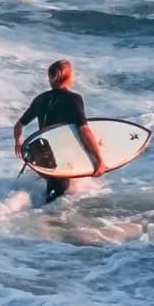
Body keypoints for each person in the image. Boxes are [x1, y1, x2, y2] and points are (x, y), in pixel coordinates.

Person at [14, 57, 96, 202]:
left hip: (41, 154)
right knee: (58, 199)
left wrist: (19, 142)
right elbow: (84, 130)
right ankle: (43, 215)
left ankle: (34, 209)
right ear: (69, 77)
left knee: (53, 191)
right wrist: (99, 161)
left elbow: (19, 125)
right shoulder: (73, 99)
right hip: (60, 155)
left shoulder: (41, 99)